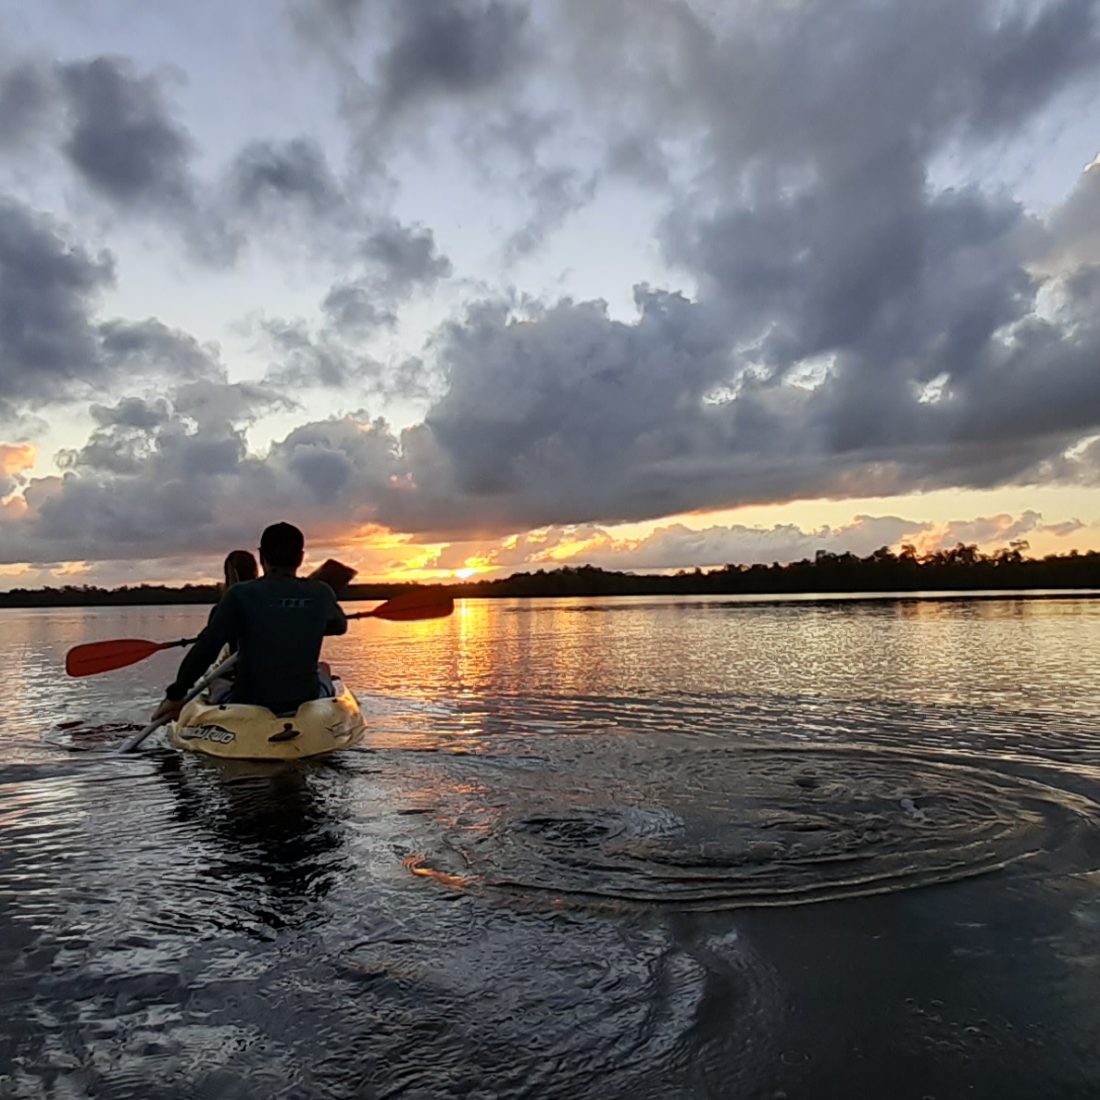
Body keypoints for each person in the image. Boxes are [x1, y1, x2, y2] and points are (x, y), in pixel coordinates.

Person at [151, 522, 348, 722]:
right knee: (323, 669)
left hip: (246, 702)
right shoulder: (322, 592)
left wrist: (176, 694)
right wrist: (300, 620)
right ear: (300, 557)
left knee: (216, 679)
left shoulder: (239, 594)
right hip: (304, 700)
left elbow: (206, 648)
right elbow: (339, 626)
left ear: (262, 556)